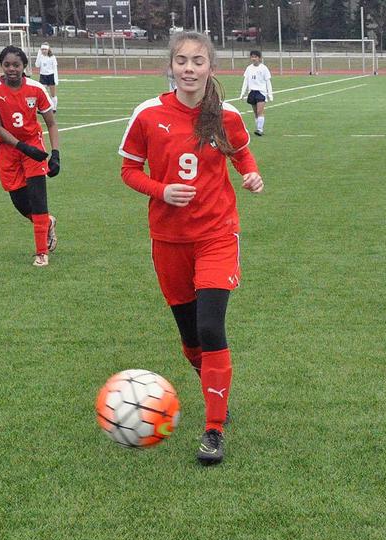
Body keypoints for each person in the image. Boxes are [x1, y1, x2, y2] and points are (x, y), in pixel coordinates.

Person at [118, 31, 264, 466]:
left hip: (217, 233)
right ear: (171, 66)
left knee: (210, 326)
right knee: (189, 337)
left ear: (210, 68)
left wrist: (251, 176)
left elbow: (241, 154)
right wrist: (161, 190)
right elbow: (128, 170)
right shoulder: (148, 114)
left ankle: (214, 429)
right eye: (181, 60)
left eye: (197, 61)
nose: (188, 68)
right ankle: (212, 386)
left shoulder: (226, 116)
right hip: (168, 240)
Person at [0, 46, 60, 268]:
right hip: (9, 149)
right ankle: (47, 223)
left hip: (34, 147)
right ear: (2, 66)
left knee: (37, 198)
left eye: (16, 65)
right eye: (7, 65)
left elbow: (51, 123)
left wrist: (55, 154)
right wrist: (21, 147)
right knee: (19, 201)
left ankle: (41, 252)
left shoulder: (36, 89)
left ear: (24, 66)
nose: (11, 69)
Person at [239, 49, 273, 136]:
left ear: (259, 58)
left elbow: (268, 81)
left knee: (259, 111)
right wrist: (242, 93)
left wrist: (270, 94)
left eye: (255, 57)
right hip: (252, 92)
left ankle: (259, 129)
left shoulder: (264, 68)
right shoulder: (249, 68)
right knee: (255, 113)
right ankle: (258, 128)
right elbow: (245, 81)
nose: (254, 59)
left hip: (261, 92)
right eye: (252, 57)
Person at [34, 43, 59, 112]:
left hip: (51, 76)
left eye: (45, 49)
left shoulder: (52, 57)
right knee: (42, 93)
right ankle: (42, 107)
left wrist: (55, 79)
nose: (44, 51)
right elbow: (37, 65)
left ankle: (54, 108)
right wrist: (38, 55)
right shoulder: (41, 57)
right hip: (43, 76)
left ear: (48, 50)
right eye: (42, 49)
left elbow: (55, 68)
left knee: (53, 94)